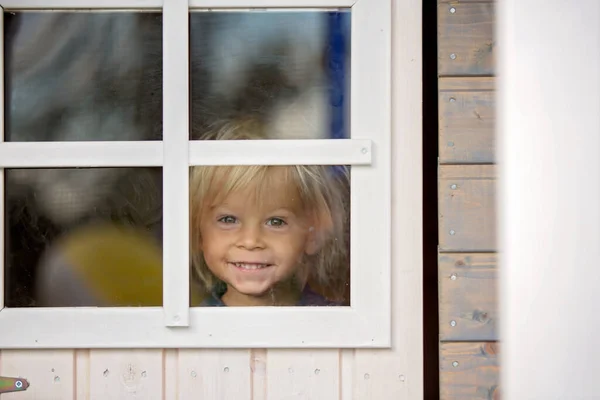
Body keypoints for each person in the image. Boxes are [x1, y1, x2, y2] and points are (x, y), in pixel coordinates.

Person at [189, 118, 349, 306]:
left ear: (312, 234)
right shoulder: (194, 327)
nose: (250, 241)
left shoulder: (332, 324)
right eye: (228, 219)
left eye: (276, 222)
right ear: (199, 232)